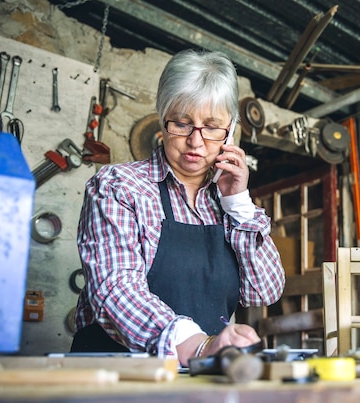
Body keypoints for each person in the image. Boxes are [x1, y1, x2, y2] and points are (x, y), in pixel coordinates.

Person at [71, 49, 285, 366]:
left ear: (232, 128)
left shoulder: (227, 201)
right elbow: (115, 289)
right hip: (115, 374)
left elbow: (263, 292)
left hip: (199, 377)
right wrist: (197, 345)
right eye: (182, 124)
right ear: (162, 117)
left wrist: (238, 204)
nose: (196, 142)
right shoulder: (119, 187)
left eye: (212, 126)